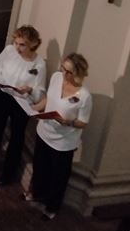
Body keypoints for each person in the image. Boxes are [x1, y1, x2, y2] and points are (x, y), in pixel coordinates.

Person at [26, 53, 92, 220]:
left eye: (69, 72)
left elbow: (83, 122)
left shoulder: (84, 96)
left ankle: (52, 206)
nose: (64, 74)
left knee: (58, 176)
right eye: (63, 69)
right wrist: (35, 108)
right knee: (40, 166)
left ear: (79, 73)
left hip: (63, 142)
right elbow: (48, 99)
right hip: (45, 132)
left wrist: (67, 122)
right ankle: (36, 193)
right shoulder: (56, 77)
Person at [0, 25, 47, 186]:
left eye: (22, 45)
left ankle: (8, 173)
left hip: (21, 102)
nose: (18, 48)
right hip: (2, 94)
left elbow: (39, 92)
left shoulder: (39, 64)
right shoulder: (9, 51)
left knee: (17, 136)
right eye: (17, 43)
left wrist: (29, 89)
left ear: (33, 44)